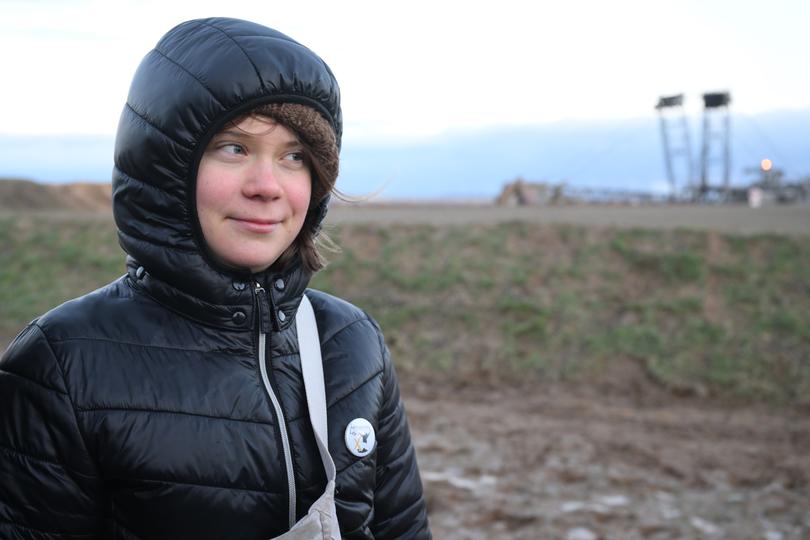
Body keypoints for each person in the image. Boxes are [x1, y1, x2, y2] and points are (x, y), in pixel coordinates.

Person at [0, 17, 431, 539]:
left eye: (295, 157)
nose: (267, 187)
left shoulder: (351, 343)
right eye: (235, 148)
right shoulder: (62, 364)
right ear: (164, 165)